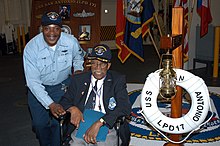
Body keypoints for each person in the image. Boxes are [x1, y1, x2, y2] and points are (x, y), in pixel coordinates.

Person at [23, 11, 84, 146]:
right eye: (47, 28)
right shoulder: (31, 48)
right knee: (40, 125)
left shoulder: (70, 42)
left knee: (59, 123)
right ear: (42, 29)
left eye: (56, 28)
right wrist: (50, 104)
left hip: (61, 86)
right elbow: (33, 82)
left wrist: (78, 68)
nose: (52, 33)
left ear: (61, 29)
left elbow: (78, 56)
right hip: (38, 88)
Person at [52, 44, 132, 146]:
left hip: (107, 124)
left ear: (108, 66)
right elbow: (64, 101)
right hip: (82, 124)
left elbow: (124, 107)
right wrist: (72, 109)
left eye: (102, 64)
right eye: (94, 64)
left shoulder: (117, 80)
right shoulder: (79, 80)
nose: (97, 68)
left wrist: (100, 122)